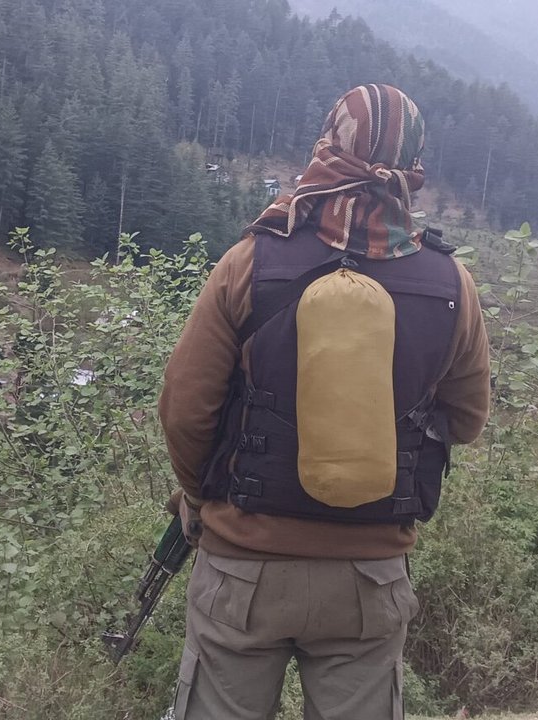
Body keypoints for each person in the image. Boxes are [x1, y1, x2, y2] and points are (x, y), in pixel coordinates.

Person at [158, 84, 493, 719]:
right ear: (413, 165)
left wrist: (198, 498)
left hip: (244, 568)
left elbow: (185, 406)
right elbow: (468, 420)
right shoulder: (452, 284)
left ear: (328, 146)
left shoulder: (250, 261)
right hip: (369, 576)